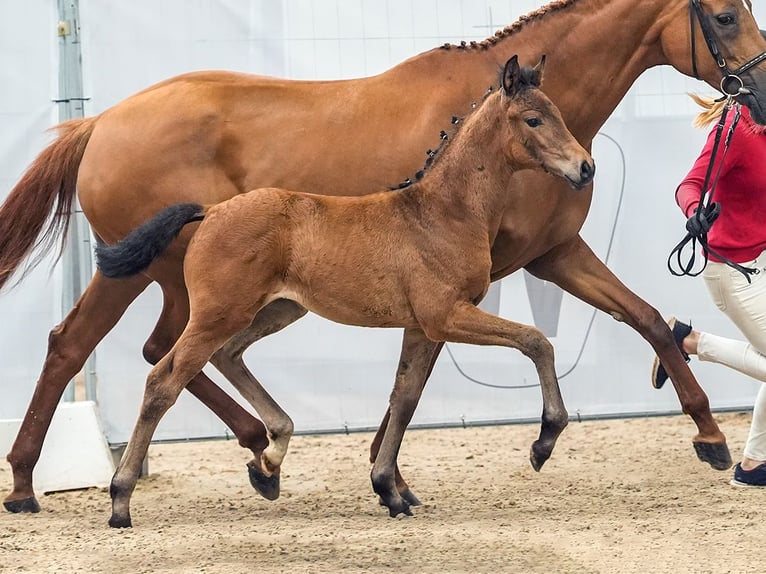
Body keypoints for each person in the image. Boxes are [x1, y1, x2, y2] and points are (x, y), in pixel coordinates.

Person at [652, 93, 766, 488]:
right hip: (733, 271)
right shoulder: (734, 129)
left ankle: (754, 466)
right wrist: (693, 213)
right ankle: (689, 343)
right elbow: (690, 184)